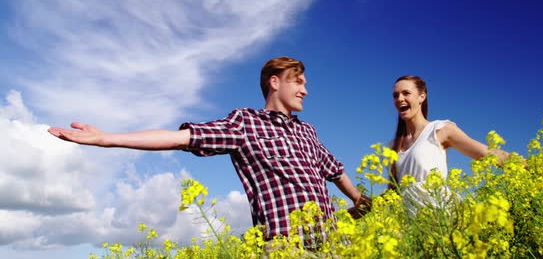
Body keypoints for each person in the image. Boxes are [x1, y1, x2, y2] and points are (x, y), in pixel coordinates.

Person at [48, 56, 370, 242]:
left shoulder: (307, 131)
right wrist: (108, 138)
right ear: (275, 82)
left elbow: (335, 170)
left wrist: (358, 199)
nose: (306, 90)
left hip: (333, 244)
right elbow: (180, 137)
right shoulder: (246, 124)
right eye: (298, 82)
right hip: (287, 247)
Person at [387, 75, 511, 214]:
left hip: (441, 219)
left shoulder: (439, 130)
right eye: (395, 95)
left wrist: (529, 165)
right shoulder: (392, 147)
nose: (400, 99)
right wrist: (359, 200)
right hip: (413, 230)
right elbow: (392, 194)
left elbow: (485, 153)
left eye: (406, 93)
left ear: (422, 97)